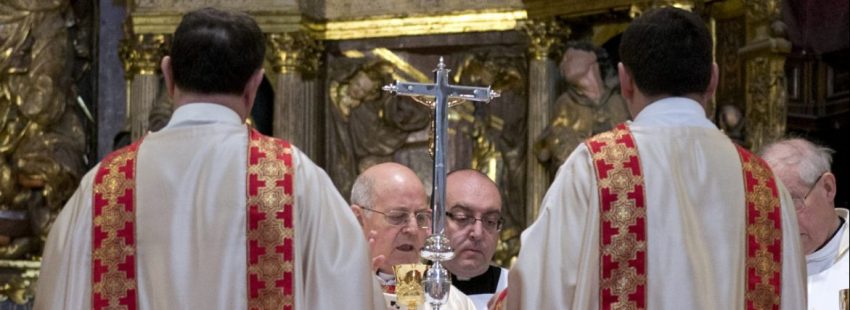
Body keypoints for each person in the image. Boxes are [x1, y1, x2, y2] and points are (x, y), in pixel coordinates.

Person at [35, 8, 384, 310]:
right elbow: (348, 291)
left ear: (168, 75)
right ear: (254, 85)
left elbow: (58, 295)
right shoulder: (296, 178)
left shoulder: (103, 186)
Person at [501, 7, 806, 309]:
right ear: (713, 79)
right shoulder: (765, 186)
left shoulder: (594, 169)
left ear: (625, 81)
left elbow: (536, 294)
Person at [350, 162, 476, 310]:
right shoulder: (331, 292)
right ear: (358, 220)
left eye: (421, 217)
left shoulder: (455, 304)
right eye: (397, 216)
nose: (413, 229)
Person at [761, 138, 849, 310]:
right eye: (771, 206)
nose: (781, 221)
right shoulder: (757, 262)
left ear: (828, 188)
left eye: (793, 202)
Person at [534, 41, 629, 179]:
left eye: (568, 59)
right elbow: (558, 149)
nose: (562, 65)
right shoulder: (565, 104)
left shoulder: (621, 100)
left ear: (591, 57)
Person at [443, 169, 508, 310]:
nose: (477, 233)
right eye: (462, 218)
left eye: (490, 221)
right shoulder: (408, 290)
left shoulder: (518, 293)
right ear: (433, 222)